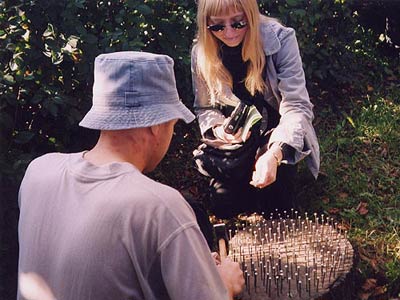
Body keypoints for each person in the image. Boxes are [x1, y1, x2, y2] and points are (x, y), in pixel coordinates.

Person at [17, 51, 244, 300]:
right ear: (156, 125)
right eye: (172, 124)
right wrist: (225, 285)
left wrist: (196, 267)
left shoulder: (38, 172)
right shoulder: (160, 206)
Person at [191, 0, 320, 219]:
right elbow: (205, 107)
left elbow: (297, 106)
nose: (229, 32)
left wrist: (275, 154)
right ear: (206, 25)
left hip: (277, 133)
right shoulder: (201, 52)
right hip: (238, 141)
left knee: (278, 207)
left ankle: (277, 166)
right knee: (224, 206)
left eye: (238, 23)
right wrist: (218, 129)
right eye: (218, 26)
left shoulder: (281, 39)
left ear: (250, 15)